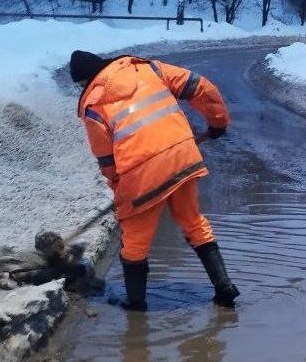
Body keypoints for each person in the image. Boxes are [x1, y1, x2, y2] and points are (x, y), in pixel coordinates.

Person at [70, 50, 240, 310]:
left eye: (82, 84)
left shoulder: (93, 106)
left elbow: (107, 161)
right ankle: (224, 286)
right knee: (194, 222)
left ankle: (135, 305)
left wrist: (120, 190)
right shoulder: (149, 69)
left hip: (141, 174)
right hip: (181, 157)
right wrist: (218, 122)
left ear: (86, 80)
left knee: (135, 240)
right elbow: (201, 86)